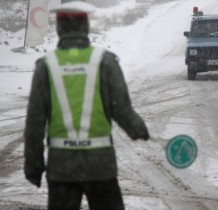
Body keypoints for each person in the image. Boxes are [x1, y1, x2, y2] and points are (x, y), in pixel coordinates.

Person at [23, 2, 149, 210]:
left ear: (59, 29)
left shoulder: (46, 66)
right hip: (100, 166)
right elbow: (122, 109)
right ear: (86, 27)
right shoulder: (105, 61)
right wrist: (138, 129)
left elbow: (34, 123)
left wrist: (33, 166)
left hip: (62, 168)